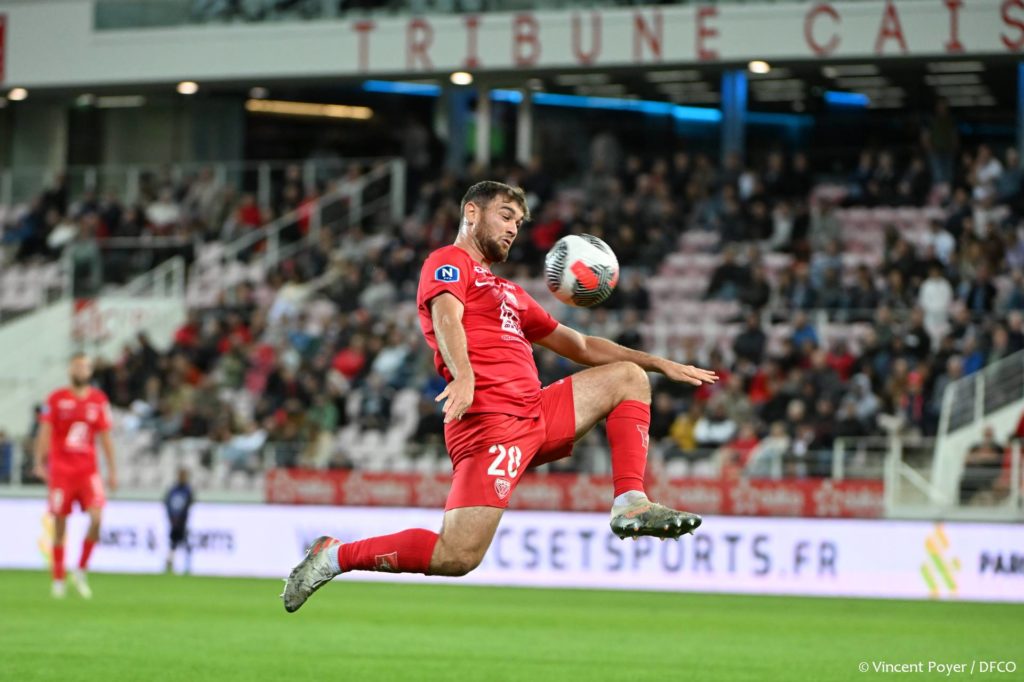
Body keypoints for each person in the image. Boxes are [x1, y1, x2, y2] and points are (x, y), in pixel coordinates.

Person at [282, 181, 718, 612]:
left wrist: (657, 362)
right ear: (471, 213)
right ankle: (334, 556)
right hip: (489, 424)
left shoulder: (510, 293)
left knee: (629, 377)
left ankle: (630, 504)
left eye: (519, 222)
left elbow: (581, 346)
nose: (513, 228)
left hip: (535, 412)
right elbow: (447, 316)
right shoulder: (447, 261)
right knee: (457, 556)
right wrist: (464, 374)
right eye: (506, 216)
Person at [32, 353, 117, 599]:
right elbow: (45, 432)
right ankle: (58, 578)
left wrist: (112, 470)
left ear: (90, 371)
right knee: (60, 524)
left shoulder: (99, 400)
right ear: (70, 369)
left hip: (88, 471)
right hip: (62, 471)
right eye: (77, 366)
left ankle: (80, 569)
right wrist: (39, 462)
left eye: (85, 366)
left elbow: (106, 438)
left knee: (97, 518)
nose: (81, 370)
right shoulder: (56, 398)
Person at [165, 468, 195, 574]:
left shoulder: (187, 490)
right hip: (174, 521)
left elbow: (189, 504)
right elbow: (167, 504)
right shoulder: (173, 490)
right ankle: (170, 563)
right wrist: (171, 518)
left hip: (183, 521)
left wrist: (182, 518)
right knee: (173, 543)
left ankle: (187, 565)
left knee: (185, 542)